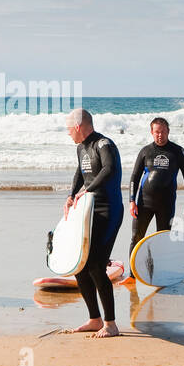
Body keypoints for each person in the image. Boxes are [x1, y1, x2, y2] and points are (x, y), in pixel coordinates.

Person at [65, 108, 123, 338]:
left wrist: (86, 190)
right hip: (88, 212)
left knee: (97, 266)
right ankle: (94, 319)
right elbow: (80, 173)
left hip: (108, 211)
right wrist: (71, 195)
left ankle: (111, 324)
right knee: (80, 265)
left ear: (78, 126)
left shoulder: (104, 144)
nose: (68, 133)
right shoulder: (81, 148)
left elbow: (109, 170)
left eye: (69, 129)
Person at [128, 116, 184, 267]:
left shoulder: (178, 151)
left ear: (168, 131)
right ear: (151, 132)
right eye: (157, 131)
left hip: (167, 203)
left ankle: (160, 272)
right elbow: (134, 177)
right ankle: (132, 274)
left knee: (163, 240)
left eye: (163, 131)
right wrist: (132, 200)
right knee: (136, 238)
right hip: (144, 203)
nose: (160, 135)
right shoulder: (145, 151)